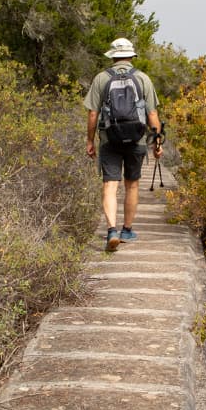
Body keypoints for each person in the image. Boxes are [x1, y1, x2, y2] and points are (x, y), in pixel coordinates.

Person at [84, 37, 163, 251]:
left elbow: (93, 114)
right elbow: (152, 114)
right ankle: (127, 230)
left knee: (110, 185)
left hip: (109, 139)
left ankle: (111, 230)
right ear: (131, 56)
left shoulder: (101, 78)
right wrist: (157, 144)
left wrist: (90, 140)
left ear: (112, 56)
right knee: (132, 184)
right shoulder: (142, 78)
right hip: (136, 139)